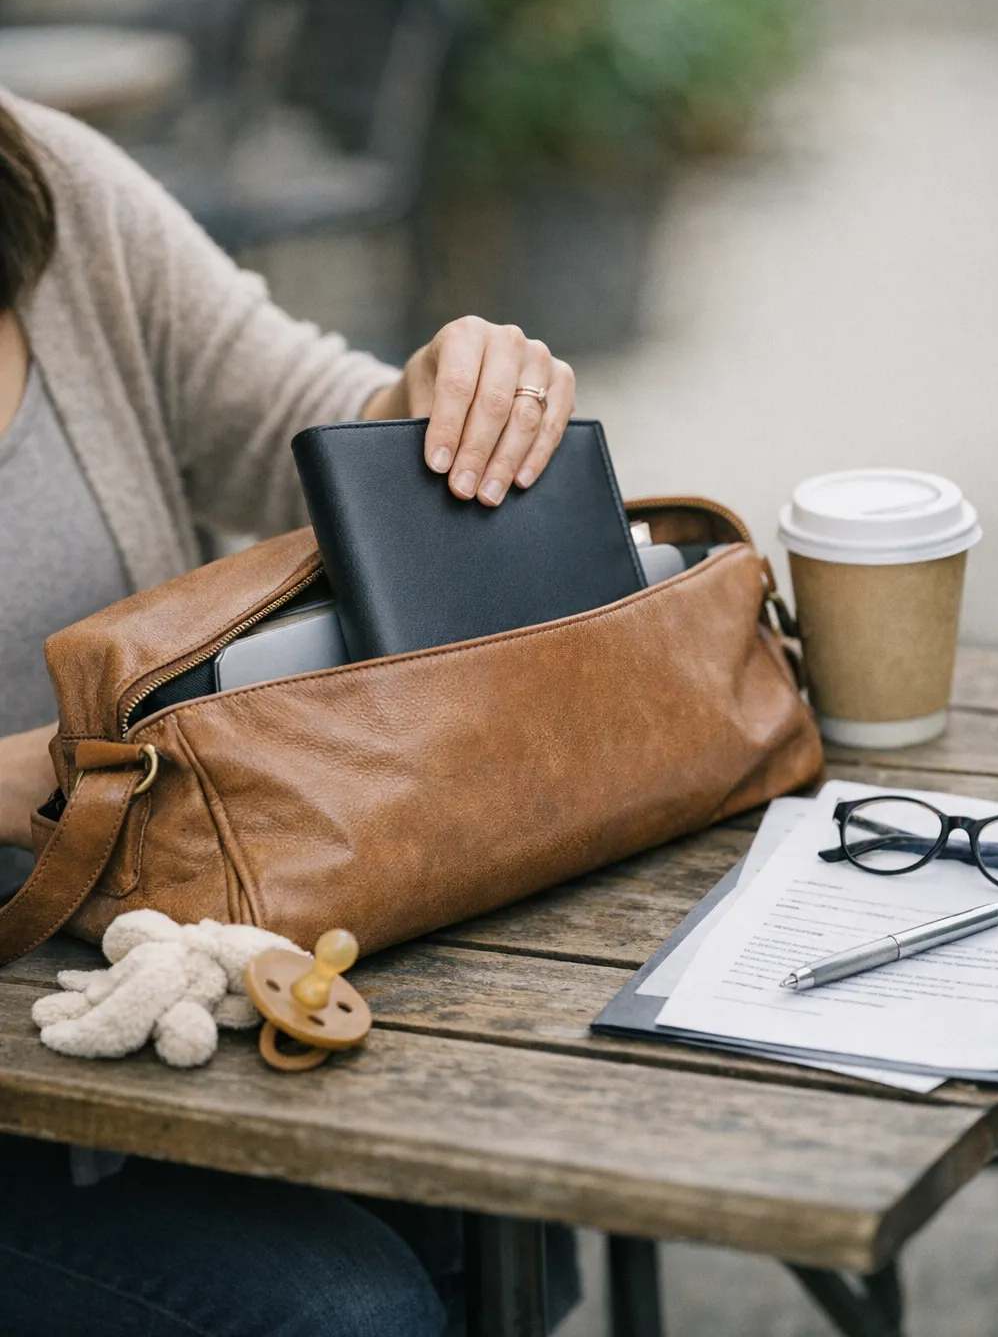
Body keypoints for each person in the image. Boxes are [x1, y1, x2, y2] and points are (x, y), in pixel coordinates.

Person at [0, 88, 577, 1336]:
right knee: (344, 1313)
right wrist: (35, 778)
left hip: (165, 931)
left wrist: (433, 407)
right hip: (66, 1002)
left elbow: (292, 420)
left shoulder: (40, 178)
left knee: (507, 1190)